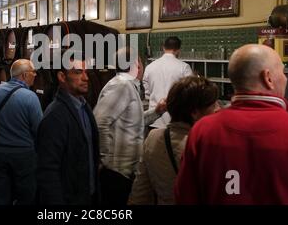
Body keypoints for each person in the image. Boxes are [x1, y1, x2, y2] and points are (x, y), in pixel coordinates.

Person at [175, 44, 288, 204]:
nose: (285, 78)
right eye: (281, 71)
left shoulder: (202, 131)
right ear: (268, 78)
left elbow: (185, 196)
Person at [129, 76, 219, 205]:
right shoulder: (206, 145)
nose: (218, 109)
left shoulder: (154, 138)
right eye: (213, 104)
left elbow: (141, 191)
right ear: (194, 112)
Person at [93, 48, 165, 205]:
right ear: (135, 65)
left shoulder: (127, 86)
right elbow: (100, 122)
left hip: (124, 172)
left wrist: (158, 111)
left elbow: (134, 122)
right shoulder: (122, 86)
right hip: (116, 172)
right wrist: (104, 159)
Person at [37, 55, 100, 205]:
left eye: (86, 72)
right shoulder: (55, 116)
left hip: (87, 196)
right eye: (78, 72)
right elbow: (47, 171)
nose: (86, 78)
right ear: (62, 77)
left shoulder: (84, 107)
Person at [0, 59, 43, 205]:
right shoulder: (30, 97)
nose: (35, 75)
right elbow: (39, 129)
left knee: (1, 194)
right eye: (33, 73)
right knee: (26, 195)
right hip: (22, 154)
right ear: (25, 75)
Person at [143, 36, 193, 128]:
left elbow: (147, 94)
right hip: (175, 121)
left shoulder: (149, 67)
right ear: (178, 50)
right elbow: (191, 93)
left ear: (163, 48)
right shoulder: (184, 67)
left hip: (154, 121)